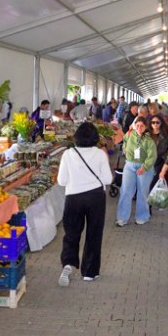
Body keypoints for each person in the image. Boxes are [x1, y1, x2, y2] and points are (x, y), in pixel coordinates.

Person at [57, 123, 114, 287]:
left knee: (71, 233)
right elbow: (108, 180)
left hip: (73, 198)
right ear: (95, 138)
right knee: (94, 234)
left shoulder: (68, 154)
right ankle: (89, 272)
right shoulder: (100, 154)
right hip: (95, 197)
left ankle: (68, 263)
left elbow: (62, 181)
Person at [116, 117, 156, 226]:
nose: (139, 128)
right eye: (137, 125)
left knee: (142, 192)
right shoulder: (130, 134)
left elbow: (152, 156)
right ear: (134, 125)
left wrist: (144, 167)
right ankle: (122, 218)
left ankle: (142, 217)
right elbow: (124, 140)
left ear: (146, 127)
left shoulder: (149, 140)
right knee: (125, 191)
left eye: (142, 126)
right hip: (129, 165)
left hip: (144, 167)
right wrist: (124, 148)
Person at [148, 115, 168, 194]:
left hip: (161, 160)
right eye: (153, 122)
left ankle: (152, 200)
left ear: (161, 123)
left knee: (155, 180)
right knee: (149, 181)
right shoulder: (146, 134)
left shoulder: (166, 135)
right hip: (148, 160)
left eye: (157, 122)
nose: (155, 124)